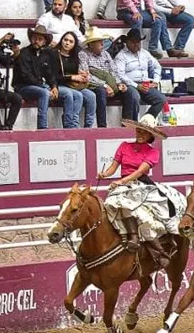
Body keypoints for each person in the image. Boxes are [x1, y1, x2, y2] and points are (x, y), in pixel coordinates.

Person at [100, 114, 185, 265]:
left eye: (144, 132)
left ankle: (158, 249)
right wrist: (104, 174)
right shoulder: (124, 146)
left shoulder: (153, 152)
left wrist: (121, 181)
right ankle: (125, 237)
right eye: (139, 131)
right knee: (111, 206)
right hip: (124, 183)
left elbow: (140, 172)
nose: (140, 134)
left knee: (142, 212)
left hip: (141, 184)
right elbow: (112, 168)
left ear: (150, 135)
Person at [113, 27, 167, 121]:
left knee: (161, 99)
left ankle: (146, 120)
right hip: (129, 85)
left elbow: (157, 66)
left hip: (145, 83)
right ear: (128, 42)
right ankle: (131, 122)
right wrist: (136, 86)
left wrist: (156, 80)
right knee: (134, 96)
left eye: (138, 42)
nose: (136, 45)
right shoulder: (121, 56)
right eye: (133, 42)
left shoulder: (145, 53)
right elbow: (120, 75)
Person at [50, 31, 92, 128]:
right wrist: (72, 77)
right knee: (73, 95)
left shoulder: (74, 56)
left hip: (71, 85)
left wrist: (82, 75)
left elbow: (75, 72)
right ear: (61, 40)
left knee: (91, 96)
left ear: (74, 45)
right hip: (57, 84)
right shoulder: (54, 54)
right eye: (65, 40)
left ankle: (87, 126)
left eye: (71, 41)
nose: (67, 43)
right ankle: (70, 124)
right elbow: (53, 75)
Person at [79, 27, 115, 128]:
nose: (102, 44)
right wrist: (105, 85)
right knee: (101, 91)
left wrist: (118, 83)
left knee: (129, 92)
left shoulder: (105, 53)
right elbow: (86, 76)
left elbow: (114, 69)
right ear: (91, 44)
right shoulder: (83, 54)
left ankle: (127, 126)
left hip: (109, 82)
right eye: (99, 42)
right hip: (94, 85)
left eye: (102, 42)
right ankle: (102, 126)